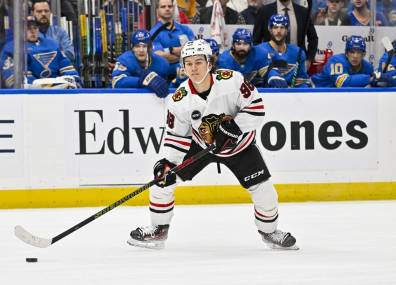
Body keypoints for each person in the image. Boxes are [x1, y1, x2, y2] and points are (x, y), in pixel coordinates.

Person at [127, 39, 298, 251]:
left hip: (239, 146)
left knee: (265, 191)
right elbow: (176, 137)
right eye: (188, 63)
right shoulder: (179, 99)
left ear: (210, 63)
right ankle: (158, 229)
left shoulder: (232, 80)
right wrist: (169, 163)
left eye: (199, 62)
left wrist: (234, 128)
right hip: (202, 145)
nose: (193, 68)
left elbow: (256, 107)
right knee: (164, 180)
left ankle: (270, 232)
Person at [1, 18, 80, 88]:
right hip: (32, 94)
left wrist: (74, 81)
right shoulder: (13, 48)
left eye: (35, 28)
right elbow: (15, 79)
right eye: (28, 28)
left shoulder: (52, 44)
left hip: (57, 88)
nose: (32, 31)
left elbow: (65, 64)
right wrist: (37, 86)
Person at [253, 0, 318, 69]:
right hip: (271, 63)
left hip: (297, 62)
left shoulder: (303, 12)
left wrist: (308, 60)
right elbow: (256, 40)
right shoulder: (264, 11)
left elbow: (313, 38)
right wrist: (261, 60)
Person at [111, 29, 171, 98]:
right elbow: (116, 82)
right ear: (132, 48)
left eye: (145, 46)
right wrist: (142, 80)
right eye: (137, 46)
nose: (141, 50)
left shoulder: (162, 64)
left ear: (150, 48)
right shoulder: (125, 60)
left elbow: (167, 87)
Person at [257, 14, 310, 88]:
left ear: (287, 30)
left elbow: (302, 79)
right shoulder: (259, 50)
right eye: (275, 27)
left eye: (282, 27)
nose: (278, 31)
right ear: (270, 29)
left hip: (290, 96)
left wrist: (302, 90)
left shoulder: (298, 52)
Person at [150, 0, 195, 79]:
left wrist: (171, 50)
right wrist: (183, 55)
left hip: (189, 76)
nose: (167, 9)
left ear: (173, 8)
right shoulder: (153, 33)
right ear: (157, 10)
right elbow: (159, 56)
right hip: (165, 78)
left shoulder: (185, 29)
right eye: (163, 7)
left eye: (170, 6)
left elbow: (194, 51)